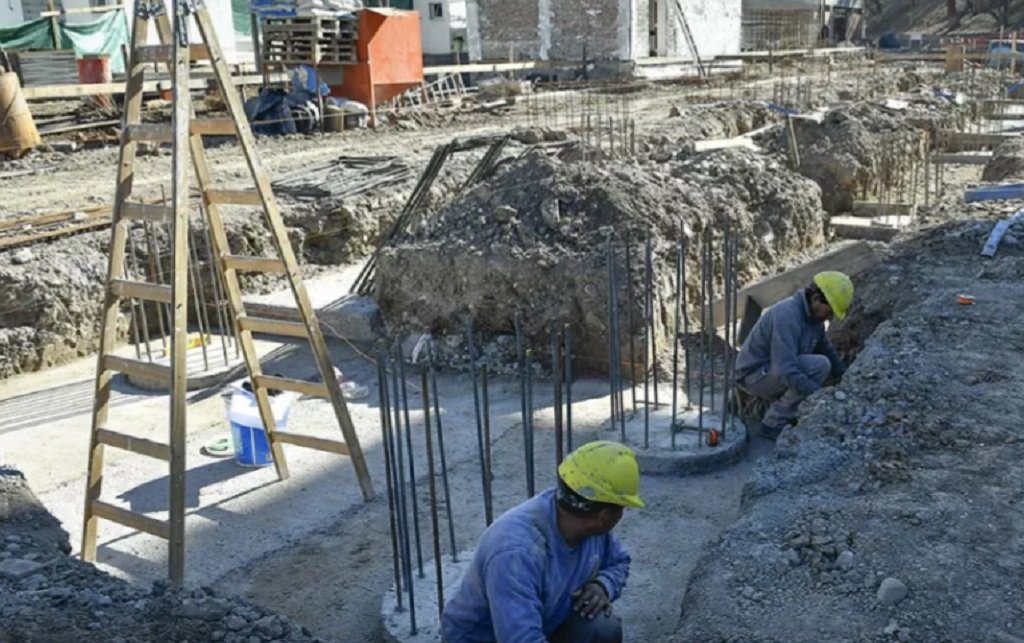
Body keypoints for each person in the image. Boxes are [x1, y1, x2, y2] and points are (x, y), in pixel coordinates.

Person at [441, 441, 644, 643]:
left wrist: (602, 585)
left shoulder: (588, 525)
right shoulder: (516, 552)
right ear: (605, 516)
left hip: (545, 625)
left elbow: (620, 561)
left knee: (602, 629)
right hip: (484, 639)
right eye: (622, 508)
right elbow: (521, 639)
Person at [734, 271, 853, 440]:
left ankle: (777, 406)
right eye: (831, 310)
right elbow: (786, 370)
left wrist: (845, 375)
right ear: (816, 299)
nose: (831, 317)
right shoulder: (787, 316)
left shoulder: (813, 318)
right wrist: (818, 394)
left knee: (820, 363)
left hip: (771, 369)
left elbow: (825, 347)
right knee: (818, 365)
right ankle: (773, 423)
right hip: (752, 376)